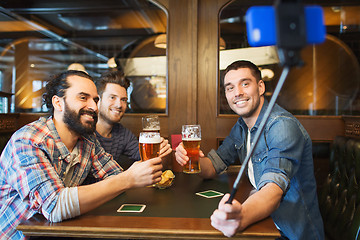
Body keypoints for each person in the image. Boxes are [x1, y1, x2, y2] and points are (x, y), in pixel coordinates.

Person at [0, 70, 163, 239]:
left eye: (95, 100)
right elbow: (55, 206)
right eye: (83, 98)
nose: (93, 107)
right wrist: (128, 179)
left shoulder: (87, 140)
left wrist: (133, 176)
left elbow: (114, 176)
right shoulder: (28, 140)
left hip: (57, 233)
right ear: (58, 103)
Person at [175, 60, 324, 240]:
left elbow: (273, 189)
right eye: (230, 88)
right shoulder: (241, 127)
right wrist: (192, 160)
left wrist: (241, 217)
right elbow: (213, 166)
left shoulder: (282, 125)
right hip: (264, 223)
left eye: (245, 84)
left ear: (260, 87)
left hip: (289, 232)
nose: (237, 93)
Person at [95, 70, 172, 170]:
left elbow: (146, 159)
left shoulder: (122, 134)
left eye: (123, 100)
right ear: (98, 100)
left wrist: (162, 152)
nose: (119, 105)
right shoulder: (86, 132)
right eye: (112, 97)